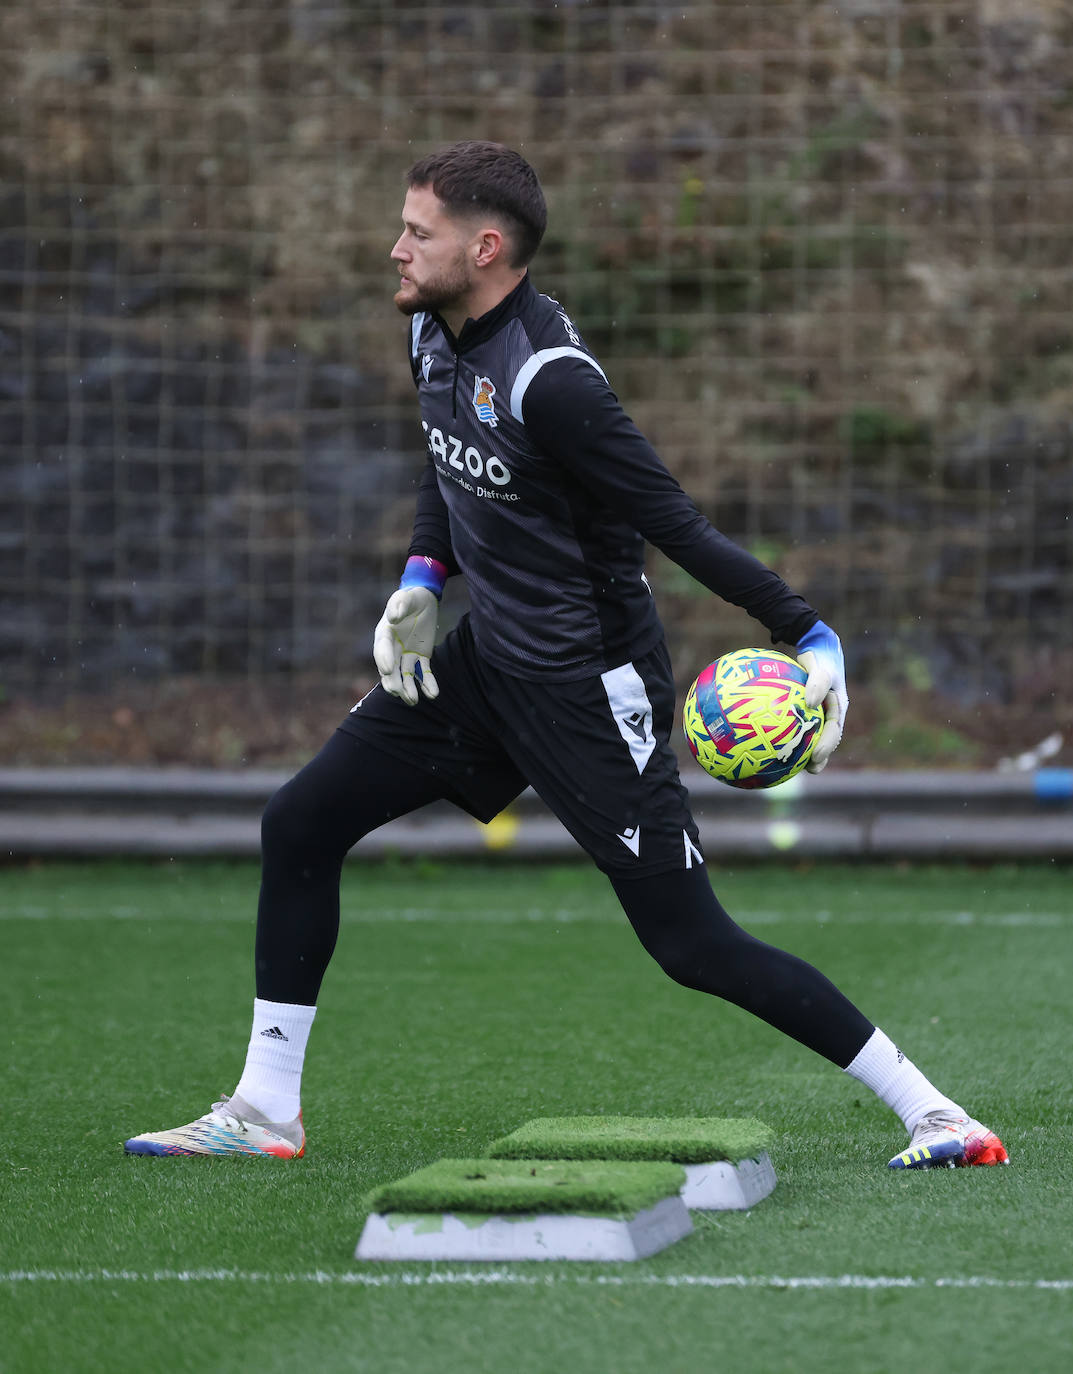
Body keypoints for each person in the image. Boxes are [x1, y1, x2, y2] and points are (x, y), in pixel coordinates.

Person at [125, 141, 1007, 1171]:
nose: (394, 249)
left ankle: (934, 1111)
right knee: (302, 820)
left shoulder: (555, 383)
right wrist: (420, 577)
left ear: (485, 248)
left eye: (419, 232)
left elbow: (672, 522)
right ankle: (265, 1110)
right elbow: (443, 455)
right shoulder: (432, 331)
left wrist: (805, 631)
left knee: (690, 946)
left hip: (591, 692)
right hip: (488, 661)